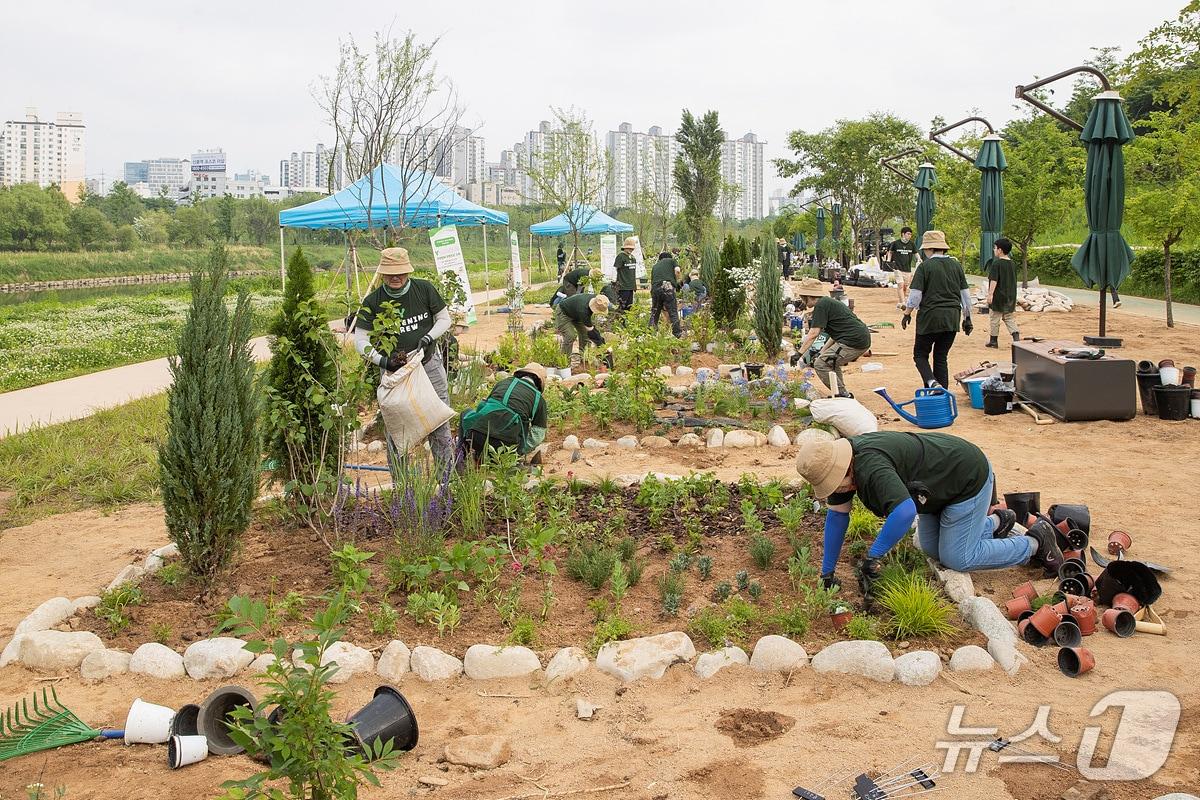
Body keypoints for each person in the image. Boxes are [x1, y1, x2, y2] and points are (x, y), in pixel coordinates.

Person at [794, 432, 1064, 595]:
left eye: (832, 483)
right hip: (936, 490)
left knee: (958, 557)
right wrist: (827, 573)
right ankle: (996, 522)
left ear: (842, 469)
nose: (834, 490)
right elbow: (837, 518)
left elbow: (903, 513)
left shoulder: (870, 467)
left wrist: (873, 556)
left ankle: (1035, 542)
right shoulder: (843, 465)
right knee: (930, 547)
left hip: (966, 480)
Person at [352, 247, 454, 466]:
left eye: (400, 271)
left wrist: (428, 337)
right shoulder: (373, 301)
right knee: (396, 427)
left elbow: (444, 319)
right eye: (390, 273)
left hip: (428, 365)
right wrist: (383, 361)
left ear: (408, 270)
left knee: (439, 421)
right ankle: (402, 486)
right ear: (382, 273)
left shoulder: (424, 289)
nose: (395, 277)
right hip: (394, 373)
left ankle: (447, 481)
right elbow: (360, 340)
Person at [902, 230, 972, 391]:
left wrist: (907, 313)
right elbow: (965, 296)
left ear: (928, 249)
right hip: (952, 318)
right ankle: (942, 394)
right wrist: (967, 319)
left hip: (929, 317)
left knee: (920, 355)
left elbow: (915, 296)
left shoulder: (925, 267)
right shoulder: (956, 265)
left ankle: (931, 383)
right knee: (941, 357)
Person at [794, 277, 871, 396]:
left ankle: (842, 395)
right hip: (858, 338)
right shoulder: (827, 303)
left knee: (820, 364)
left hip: (853, 341)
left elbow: (814, 333)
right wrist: (822, 352)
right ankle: (841, 392)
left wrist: (799, 354)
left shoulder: (821, 306)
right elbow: (832, 333)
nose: (802, 302)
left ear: (808, 296)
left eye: (803, 298)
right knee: (829, 361)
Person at [459, 362, 548, 463]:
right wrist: (518, 451)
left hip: (476, 437)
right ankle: (507, 461)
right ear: (540, 382)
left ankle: (460, 458)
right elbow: (538, 434)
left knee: (465, 413)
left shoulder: (503, 383)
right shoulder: (538, 399)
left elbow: (484, 408)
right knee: (523, 425)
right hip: (507, 448)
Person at [554, 292, 610, 367]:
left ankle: (584, 360)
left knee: (585, 336)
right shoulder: (583, 310)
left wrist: (604, 346)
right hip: (563, 313)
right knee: (570, 336)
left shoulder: (597, 300)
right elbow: (592, 333)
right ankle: (564, 364)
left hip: (576, 314)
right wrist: (602, 346)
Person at [985, 237, 1020, 349]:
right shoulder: (1012, 264)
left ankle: (993, 341)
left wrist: (990, 294)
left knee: (994, 318)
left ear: (1000, 250)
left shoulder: (997, 264)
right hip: (1010, 296)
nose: (994, 250)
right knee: (1008, 317)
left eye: (995, 248)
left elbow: (994, 280)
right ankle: (1016, 338)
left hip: (998, 296)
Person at [649, 250, 682, 337]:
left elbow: (652, 283)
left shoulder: (655, 266)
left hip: (656, 288)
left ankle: (651, 334)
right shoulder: (671, 261)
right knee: (673, 312)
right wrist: (677, 280)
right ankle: (677, 334)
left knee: (655, 312)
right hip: (667, 287)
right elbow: (677, 270)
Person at [886, 227, 917, 307]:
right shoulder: (895, 243)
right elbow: (890, 252)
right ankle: (903, 303)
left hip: (907, 269)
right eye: (908, 234)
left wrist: (919, 259)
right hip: (897, 268)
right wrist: (889, 260)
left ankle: (900, 302)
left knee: (905, 286)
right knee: (900, 284)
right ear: (903, 234)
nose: (909, 236)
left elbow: (916, 253)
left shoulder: (912, 244)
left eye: (910, 234)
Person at [614, 237, 637, 313]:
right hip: (623, 286)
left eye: (632, 248)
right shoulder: (620, 257)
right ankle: (619, 320)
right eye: (629, 248)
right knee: (622, 306)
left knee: (629, 306)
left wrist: (634, 285)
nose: (631, 250)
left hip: (631, 286)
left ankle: (627, 322)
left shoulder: (633, 258)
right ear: (625, 247)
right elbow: (616, 269)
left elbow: (633, 272)